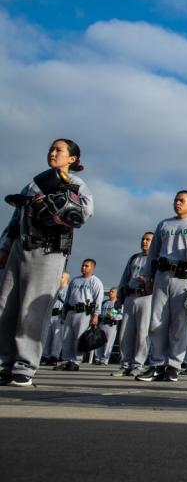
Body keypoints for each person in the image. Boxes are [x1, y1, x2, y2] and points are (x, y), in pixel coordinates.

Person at [0, 139, 94, 387]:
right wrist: (4, 248)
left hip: (48, 249)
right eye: (51, 149)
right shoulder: (33, 183)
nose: (53, 153)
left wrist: (61, 203)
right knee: (5, 308)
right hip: (19, 248)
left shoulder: (76, 184)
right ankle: (4, 363)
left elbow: (83, 214)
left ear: (72, 159)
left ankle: (24, 366)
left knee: (32, 311)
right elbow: (15, 218)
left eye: (59, 150)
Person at [136, 190, 187, 383]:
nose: (178, 203)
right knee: (157, 322)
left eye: (182, 200)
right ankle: (156, 364)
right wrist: (148, 277)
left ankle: (173, 365)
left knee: (179, 324)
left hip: (185, 277)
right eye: (176, 200)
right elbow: (153, 253)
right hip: (163, 276)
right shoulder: (164, 224)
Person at [113, 232, 154, 377]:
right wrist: (119, 297)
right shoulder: (134, 258)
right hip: (130, 296)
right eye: (143, 239)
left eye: (148, 240)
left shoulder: (155, 259)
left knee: (142, 333)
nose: (144, 242)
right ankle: (125, 364)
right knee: (125, 332)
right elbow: (125, 278)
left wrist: (148, 281)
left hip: (146, 297)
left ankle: (138, 364)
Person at [57, 258, 104, 370]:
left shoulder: (95, 281)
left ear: (93, 268)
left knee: (79, 337)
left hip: (84, 312)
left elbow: (98, 300)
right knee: (67, 337)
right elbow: (67, 298)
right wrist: (64, 312)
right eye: (83, 265)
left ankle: (76, 361)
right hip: (71, 311)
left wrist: (96, 315)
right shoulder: (74, 280)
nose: (83, 267)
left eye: (86, 266)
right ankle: (67, 360)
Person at [40, 271, 70, 366]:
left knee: (57, 338)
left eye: (62, 277)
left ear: (66, 279)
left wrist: (64, 315)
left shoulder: (67, 290)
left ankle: (54, 356)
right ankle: (45, 355)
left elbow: (67, 303)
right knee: (47, 336)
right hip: (50, 315)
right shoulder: (54, 289)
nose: (60, 279)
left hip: (59, 315)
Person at [94, 287, 122, 365]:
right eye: (110, 291)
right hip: (103, 323)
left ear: (116, 293)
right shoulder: (104, 302)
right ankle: (97, 358)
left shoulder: (118, 303)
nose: (110, 293)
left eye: (112, 292)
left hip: (111, 325)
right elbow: (99, 312)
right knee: (99, 341)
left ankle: (104, 360)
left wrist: (113, 316)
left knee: (108, 343)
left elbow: (121, 315)